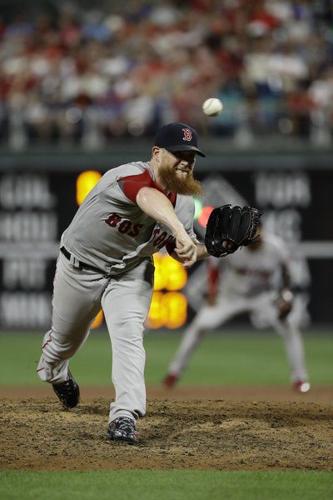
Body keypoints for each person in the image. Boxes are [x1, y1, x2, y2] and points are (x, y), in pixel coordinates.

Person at [37, 122, 214, 444]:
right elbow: (147, 197)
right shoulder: (125, 176)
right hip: (80, 268)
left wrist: (212, 249)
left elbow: (181, 252)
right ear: (157, 154)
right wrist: (177, 229)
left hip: (131, 272)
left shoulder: (184, 202)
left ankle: (124, 416)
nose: (186, 161)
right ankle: (55, 372)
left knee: (129, 336)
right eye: (179, 154)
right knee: (65, 342)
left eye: (192, 155)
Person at [163, 227, 310, 393]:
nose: (256, 237)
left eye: (258, 233)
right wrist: (212, 291)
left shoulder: (275, 247)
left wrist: (286, 296)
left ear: (263, 232)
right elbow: (213, 264)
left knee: (289, 326)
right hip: (229, 297)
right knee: (200, 326)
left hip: (263, 297)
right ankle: (174, 372)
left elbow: (287, 274)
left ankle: (299, 378)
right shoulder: (233, 246)